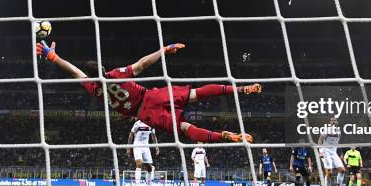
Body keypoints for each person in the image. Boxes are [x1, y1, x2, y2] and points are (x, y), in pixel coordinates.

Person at [36, 41, 261, 142]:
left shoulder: (95, 89)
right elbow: (142, 64)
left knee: (185, 128)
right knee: (197, 93)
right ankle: (241, 88)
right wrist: (163, 49)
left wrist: (54, 57)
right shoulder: (116, 74)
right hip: (152, 95)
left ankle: (222, 136)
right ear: (103, 68)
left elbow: (75, 72)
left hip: (145, 113)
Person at [317, 118, 347, 186]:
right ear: (330, 122)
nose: (334, 121)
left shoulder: (338, 131)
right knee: (329, 172)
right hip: (325, 151)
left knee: (342, 170)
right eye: (332, 120)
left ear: (337, 122)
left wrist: (340, 153)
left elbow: (337, 143)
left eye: (335, 120)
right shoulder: (326, 130)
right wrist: (321, 151)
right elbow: (320, 140)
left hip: (334, 152)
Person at [127, 120, 158, 186]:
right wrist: (128, 148)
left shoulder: (152, 123)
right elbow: (131, 134)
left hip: (146, 147)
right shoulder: (138, 123)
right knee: (139, 164)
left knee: (149, 168)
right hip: (137, 145)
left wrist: (157, 147)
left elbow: (153, 136)